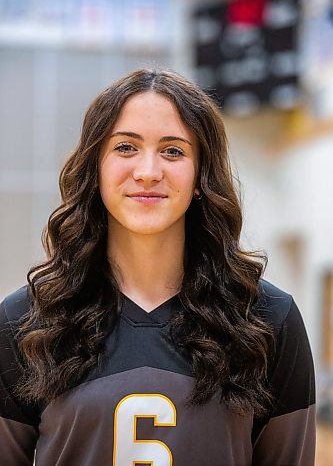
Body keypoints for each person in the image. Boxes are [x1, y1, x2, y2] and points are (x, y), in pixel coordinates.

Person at [0, 68, 315, 465]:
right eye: (126, 147)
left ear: (201, 176)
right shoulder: (25, 321)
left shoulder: (269, 320)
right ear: (95, 168)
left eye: (173, 151)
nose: (148, 172)